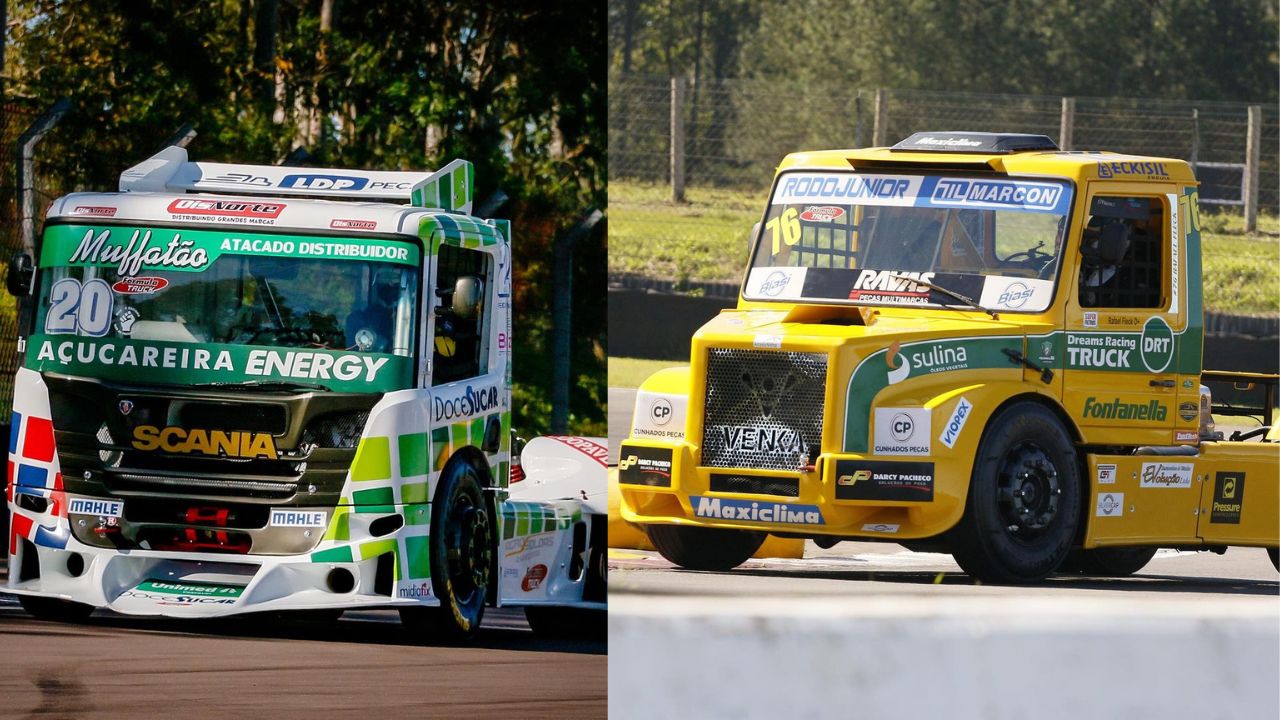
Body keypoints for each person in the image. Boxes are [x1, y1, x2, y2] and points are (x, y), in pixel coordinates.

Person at [345, 268, 401, 352]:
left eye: (395, 287)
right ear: (378, 288)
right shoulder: (364, 316)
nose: (390, 290)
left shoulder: (409, 316)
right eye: (386, 286)